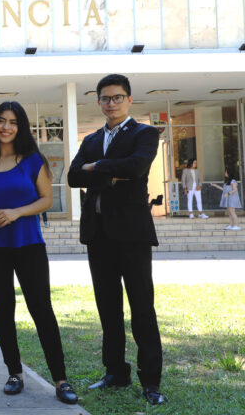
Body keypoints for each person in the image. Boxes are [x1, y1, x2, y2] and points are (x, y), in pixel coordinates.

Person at [0, 102, 78, 405]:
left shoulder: (32, 160)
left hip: (28, 244)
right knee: (2, 311)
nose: (6, 127)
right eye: (1, 121)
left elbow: (46, 200)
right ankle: (14, 373)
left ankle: (61, 380)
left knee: (41, 310)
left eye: (13, 122)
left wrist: (16, 213)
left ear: (21, 126)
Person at [68, 74, 166, 405]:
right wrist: (109, 171)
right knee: (108, 308)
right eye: (106, 98)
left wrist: (97, 168)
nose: (112, 103)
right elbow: (72, 176)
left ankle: (151, 381)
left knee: (142, 308)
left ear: (129, 100)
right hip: (98, 235)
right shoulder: (92, 138)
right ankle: (115, 372)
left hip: (132, 235)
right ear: (98, 102)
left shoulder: (145, 133)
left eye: (118, 97)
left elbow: (137, 167)